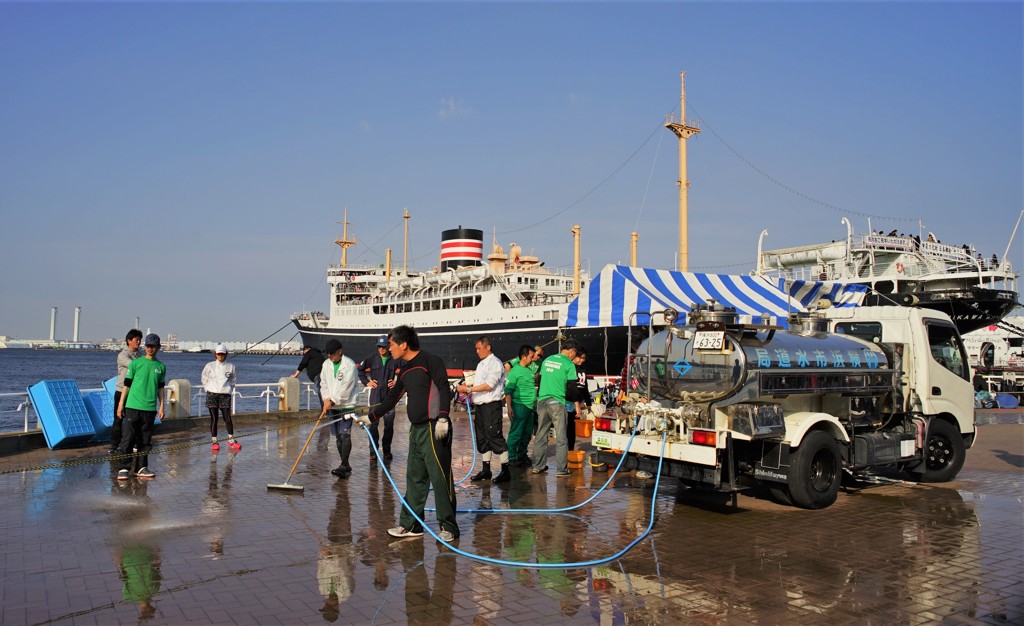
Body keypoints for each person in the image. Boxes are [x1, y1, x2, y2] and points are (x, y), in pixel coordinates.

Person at [369, 325, 459, 542]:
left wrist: (444, 417)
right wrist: (371, 416)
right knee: (415, 479)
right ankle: (412, 525)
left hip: (434, 427)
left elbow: (443, 388)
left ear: (403, 344)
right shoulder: (405, 369)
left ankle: (449, 527)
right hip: (416, 430)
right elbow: (392, 398)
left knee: (439, 478)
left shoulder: (431, 361)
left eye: (391, 344)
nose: (389, 348)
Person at [457, 336, 510, 484]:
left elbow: (489, 385)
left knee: (495, 436)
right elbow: (479, 384)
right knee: (482, 437)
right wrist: (468, 390)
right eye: (476, 349)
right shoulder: (481, 365)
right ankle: (486, 470)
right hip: (480, 405)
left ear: (488, 347)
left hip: (491, 405)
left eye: (479, 348)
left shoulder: (495, 363)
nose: (477, 351)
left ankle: (506, 471)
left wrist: (468, 388)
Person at [115, 333, 166, 480]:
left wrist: (162, 406)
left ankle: (141, 467)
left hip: (149, 408)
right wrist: (120, 405)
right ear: (145, 347)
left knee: (145, 440)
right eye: (148, 346)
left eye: (153, 346)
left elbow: (161, 388)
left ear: (158, 347)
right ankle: (124, 467)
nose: (150, 349)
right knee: (128, 438)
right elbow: (127, 385)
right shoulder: (135, 363)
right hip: (132, 406)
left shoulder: (161, 367)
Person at [532, 339, 579, 476]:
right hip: (557, 403)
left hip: (542, 401)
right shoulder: (569, 364)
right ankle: (561, 469)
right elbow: (572, 388)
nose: (574, 357)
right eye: (574, 354)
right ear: (571, 351)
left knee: (541, 435)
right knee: (562, 438)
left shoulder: (547, 360)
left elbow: (539, 380)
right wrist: (577, 402)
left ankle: (537, 466)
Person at [319, 339, 360, 479]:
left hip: (347, 405)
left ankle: (343, 465)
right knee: (337, 437)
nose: (330, 356)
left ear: (340, 351)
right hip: (331, 406)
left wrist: (332, 400)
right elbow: (323, 383)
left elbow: (346, 388)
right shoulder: (326, 364)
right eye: (328, 354)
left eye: (332, 353)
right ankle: (346, 464)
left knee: (345, 434)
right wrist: (326, 398)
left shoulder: (349, 365)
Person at [358, 335, 400, 463]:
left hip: (389, 398)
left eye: (384, 346)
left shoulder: (395, 358)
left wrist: (397, 381)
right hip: (375, 397)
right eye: (379, 346)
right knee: (373, 425)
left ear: (388, 346)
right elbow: (360, 370)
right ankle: (373, 451)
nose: (381, 349)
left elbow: (407, 368)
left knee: (389, 426)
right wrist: (367, 382)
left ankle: (386, 451)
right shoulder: (372, 358)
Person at [201, 344, 239, 451]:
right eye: (219, 353)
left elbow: (233, 380)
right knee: (214, 418)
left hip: (225, 394)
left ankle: (231, 440)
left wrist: (229, 389)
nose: (221, 355)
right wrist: (208, 388)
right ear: (215, 354)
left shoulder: (231, 366)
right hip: (212, 394)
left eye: (222, 353)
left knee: (227, 417)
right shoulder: (209, 365)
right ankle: (214, 441)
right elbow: (204, 378)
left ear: (226, 354)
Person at [504, 345, 537, 468]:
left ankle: (522, 454)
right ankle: (511, 457)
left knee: (527, 433)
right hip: (519, 406)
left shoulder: (528, 370)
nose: (533, 359)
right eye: (531, 356)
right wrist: (509, 407)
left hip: (529, 407)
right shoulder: (514, 372)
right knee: (516, 433)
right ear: (523, 357)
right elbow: (508, 391)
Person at [111, 329, 143, 453]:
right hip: (121, 391)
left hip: (135, 392)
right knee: (118, 418)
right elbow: (134, 366)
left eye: (140, 339)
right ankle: (114, 445)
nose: (139, 342)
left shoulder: (140, 355)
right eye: (137, 340)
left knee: (134, 419)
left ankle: (134, 443)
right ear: (129, 341)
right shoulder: (123, 355)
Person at [565, 347, 591, 452]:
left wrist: (588, 403)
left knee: (572, 429)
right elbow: (570, 387)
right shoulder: (569, 367)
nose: (582, 360)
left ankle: (570, 450)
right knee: (567, 428)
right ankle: (565, 452)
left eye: (584, 358)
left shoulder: (583, 370)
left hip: (578, 404)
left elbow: (584, 387)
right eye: (580, 358)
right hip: (569, 402)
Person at [291, 344, 326, 410]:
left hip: (318, 375)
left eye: (304, 353)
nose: (304, 355)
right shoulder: (318, 354)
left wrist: (295, 375)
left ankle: (325, 411)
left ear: (306, 349)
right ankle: (327, 410)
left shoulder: (309, 352)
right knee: (324, 391)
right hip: (323, 374)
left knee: (321, 391)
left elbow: (302, 364)